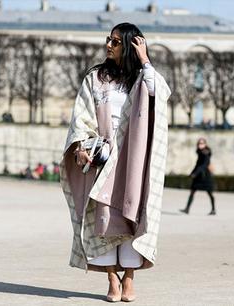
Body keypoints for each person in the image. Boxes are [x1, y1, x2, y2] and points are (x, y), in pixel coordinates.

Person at [60, 23, 171, 302]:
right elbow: (81, 117)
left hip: (135, 158)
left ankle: (130, 279)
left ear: (132, 45)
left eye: (116, 41)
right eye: (108, 39)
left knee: (133, 215)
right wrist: (82, 147)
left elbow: (161, 93)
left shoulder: (143, 77)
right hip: (104, 159)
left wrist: (145, 59)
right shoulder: (95, 78)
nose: (109, 45)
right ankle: (112, 278)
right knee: (106, 219)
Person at [179, 137, 216, 215]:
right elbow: (197, 164)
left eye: (202, 143)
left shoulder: (206, 153)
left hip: (205, 176)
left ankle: (213, 209)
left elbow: (204, 165)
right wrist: (192, 173)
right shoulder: (200, 152)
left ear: (205, 144)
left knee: (210, 193)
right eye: (199, 143)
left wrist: (196, 173)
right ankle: (187, 209)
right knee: (192, 191)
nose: (200, 144)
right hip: (199, 175)